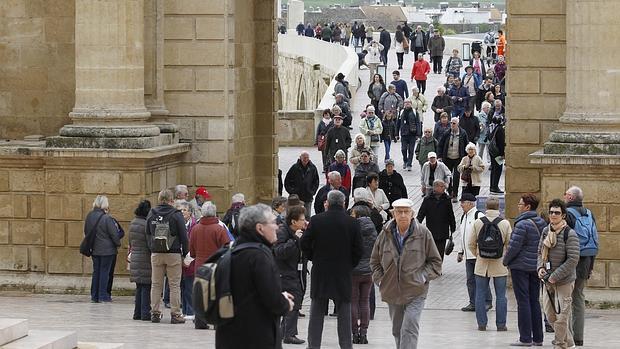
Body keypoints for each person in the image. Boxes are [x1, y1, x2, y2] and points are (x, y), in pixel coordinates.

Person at [215, 204, 294, 348]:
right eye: (273, 222)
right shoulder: (260, 256)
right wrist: (285, 303)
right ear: (260, 228)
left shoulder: (231, 251)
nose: (277, 226)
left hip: (228, 335)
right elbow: (272, 300)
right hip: (256, 337)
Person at [370, 198, 443, 349]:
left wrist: (422, 277)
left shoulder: (423, 233)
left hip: (416, 290)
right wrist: (381, 280)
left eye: (406, 211)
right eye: (399, 212)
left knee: (409, 328)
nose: (403, 215)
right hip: (392, 290)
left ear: (412, 214)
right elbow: (374, 261)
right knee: (397, 330)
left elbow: (436, 262)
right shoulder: (385, 233)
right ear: (393, 214)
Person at [301, 190, 363, 349]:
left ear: (327, 202)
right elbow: (359, 250)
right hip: (343, 272)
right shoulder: (353, 223)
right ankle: (346, 345)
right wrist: (349, 264)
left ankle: (313, 345)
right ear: (344, 203)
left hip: (321, 271)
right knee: (344, 312)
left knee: (316, 312)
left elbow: (304, 244)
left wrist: (314, 257)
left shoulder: (316, 220)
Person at [503, 193, 547, 346]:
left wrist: (506, 261)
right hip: (536, 267)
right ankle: (538, 338)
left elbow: (514, 247)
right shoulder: (542, 222)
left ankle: (525, 338)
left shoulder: (522, 224)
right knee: (534, 301)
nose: (518, 206)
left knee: (523, 302)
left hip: (520, 267)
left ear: (527, 207)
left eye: (520, 204)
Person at [537, 199, 580, 349]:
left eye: (557, 212)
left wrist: (555, 275)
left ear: (563, 215)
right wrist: (540, 268)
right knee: (550, 315)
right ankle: (569, 342)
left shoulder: (570, 234)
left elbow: (573, 259)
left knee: (562, 317)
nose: (553, 215)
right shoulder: (545, 231)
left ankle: (560, 344)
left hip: (564, 281)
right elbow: (539, 253)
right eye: (551, 212)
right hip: (547, 280)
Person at [467, 196, 512, 332]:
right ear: (498, 207)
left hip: (481, 265)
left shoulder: (478, 222)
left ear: (486, 207)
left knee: (480, 294)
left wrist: (479, 255)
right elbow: (510, 244)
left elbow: (471, 244)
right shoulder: (504, 223)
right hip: (499, 264)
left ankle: (482, 324)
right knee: (501, 295)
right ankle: (501, 324)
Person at [147, 189, 189, 324]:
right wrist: (185, 254)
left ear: (159, 199)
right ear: (172, 200)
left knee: (156, 284)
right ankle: (176, 314)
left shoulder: (151, 213)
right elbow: (184, 236)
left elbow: (147, 233)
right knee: (174, 285)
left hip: (156, 253)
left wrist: (152, 248)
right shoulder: (176, 214)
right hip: (173, 253)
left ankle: (155, 313)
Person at [564, 186, 598, 347]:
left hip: (571, 260)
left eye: (566, 194)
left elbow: (564, 241)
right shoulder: (590, 213)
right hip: (587, 260)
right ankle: (579, 337)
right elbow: (594, 239)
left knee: (565, 298)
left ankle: (567, 336)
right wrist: (591, 265)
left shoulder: (567, 214)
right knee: (578, 297)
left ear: (570, 197)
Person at [189, 201, 231, 329]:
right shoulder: (219, 229)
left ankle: (200, 321)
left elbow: (192, 251)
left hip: (200, 264)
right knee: (218, 293)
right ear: (214, 212)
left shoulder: (195, 228)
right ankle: (218, 322)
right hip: (216, 264)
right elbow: (226, 247)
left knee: (201, 293)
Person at [273, 205, 307, 345]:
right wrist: (295, 240)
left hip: (296, 272)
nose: (305, 222)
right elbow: (279, 252)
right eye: (302, 219)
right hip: (284, 274)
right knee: (293, 301)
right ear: (293, 222)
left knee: (295, 300)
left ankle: (283, 332)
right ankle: (289, 334)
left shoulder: (298, 231)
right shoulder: (283, 232)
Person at [456, 193, 491, 312]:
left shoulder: (478, 215)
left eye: (463, 202)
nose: (461, 205)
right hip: (467, 255)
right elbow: (463, 236)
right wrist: (460, 251)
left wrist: (481, 251)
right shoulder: (463, 217)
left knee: (482, 279)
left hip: (478, 255)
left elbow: (484, 235)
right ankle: (473, 303)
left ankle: (487, 301)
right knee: (470, 280)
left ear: (470, 203)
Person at [85, 195, 121, 303]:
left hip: (95, 249)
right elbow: (114, 234)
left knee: (96, 271)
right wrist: (118, 243)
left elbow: (86, 231)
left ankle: (94, 295)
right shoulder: (107, 218)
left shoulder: (89, 216)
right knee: (105, 272)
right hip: (107, 250)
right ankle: (103, 295)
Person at [349, 205, 377, 345]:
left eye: (353, 213)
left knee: (353, 301)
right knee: (365, 301)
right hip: (368, 271)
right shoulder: (373, 229)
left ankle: (354, 333)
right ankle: (364, 333)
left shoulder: (353, 229)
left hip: (354, 271)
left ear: (358, 215)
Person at [417, 179, 456, 259]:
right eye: (442, 186)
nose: (444, 188)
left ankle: (438, 270)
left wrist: (453, 226)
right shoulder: (427, 199)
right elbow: (421, 213)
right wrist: (417, 224)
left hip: (443, 231)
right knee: (431, 253)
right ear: (435, 187)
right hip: (431, 231)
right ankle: (432, 269)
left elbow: (450, 214)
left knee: (440, 253)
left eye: (444, 186)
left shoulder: (447, 199)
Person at [129, 199, 152, 321]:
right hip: (145, 258)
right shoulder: (145, 224)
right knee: (146, 286)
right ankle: (145, 313)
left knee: (139, 287)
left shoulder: (133, 222)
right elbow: (149, 242)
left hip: (135, 257)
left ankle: (136, 313)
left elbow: (130, 241)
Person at [438, 117, 469, 202]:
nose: (452, 125)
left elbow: (467, 146)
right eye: (451, 123)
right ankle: (450, 192)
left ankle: (455, 194)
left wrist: (467, 158)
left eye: (454, 123)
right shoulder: (447, 133)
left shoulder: (463, 133)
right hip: (447, 158)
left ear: (458, 124)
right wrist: (439, 156)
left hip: (458, 158)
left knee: (456, 177)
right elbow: (440, 145)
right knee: (448, 176)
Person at [176, 200, 196, 320]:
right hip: (179, 259)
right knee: (182, 286)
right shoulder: (178, 224)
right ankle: (184, 309)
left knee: (189, 286)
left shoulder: (194, 226)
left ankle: (190, 311)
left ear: (190, 213)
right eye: (180, 210)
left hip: (190, 260)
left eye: (184, 210)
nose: (182, 212)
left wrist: (187, 259)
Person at [284, 151, 320, 217]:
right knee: (295, 215)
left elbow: (316, 181)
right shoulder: (294, 167)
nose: (305, 159)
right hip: (296, 197)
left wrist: (312, 191)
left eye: (307, 158)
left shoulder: (312, 168)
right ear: (300, 158)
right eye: (304, 158)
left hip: (308, 197)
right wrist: (292, 192)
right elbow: (287, 181)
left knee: (307, 216)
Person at [396, 99, 421, 171]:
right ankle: (405, 160)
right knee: (403, 149)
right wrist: (396, 133)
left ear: (411, 104)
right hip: (404, 134)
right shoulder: (401, 112)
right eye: (406, 103)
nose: (407, 104)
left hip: (412, 133)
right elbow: (398, 123)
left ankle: (409, 163)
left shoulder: (414, 112)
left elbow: (418, 123)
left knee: (411, 150)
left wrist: (418, 134)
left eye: (408, 103)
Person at [487, 111, 506, 194]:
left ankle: (492, 186)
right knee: (498, 169)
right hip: (498, 153)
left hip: (492, 152)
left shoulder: (494, 128)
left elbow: (489, 137)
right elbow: (501, 143)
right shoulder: (500, 129)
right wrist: (503, 154)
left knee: (494, 169)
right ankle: (495, 187)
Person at [316, 108, 334, 173]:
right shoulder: (321, 123)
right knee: (324, 155)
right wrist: (317, 142)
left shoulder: (332, 122)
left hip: (330, 141)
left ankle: (329, 167)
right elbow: (318, 132)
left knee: (330, 154)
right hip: (323, 141)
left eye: (327, 115)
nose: (326, 116)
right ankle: (325, 167)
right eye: (325, 115)